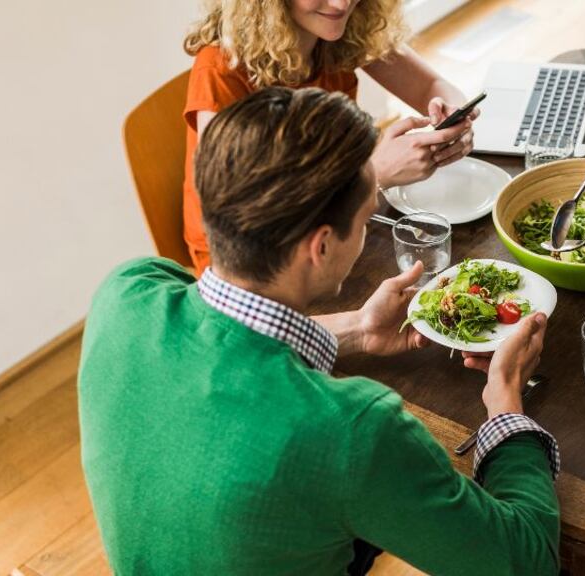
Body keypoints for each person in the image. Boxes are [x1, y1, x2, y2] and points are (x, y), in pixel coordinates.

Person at [80, 87, 560, 575]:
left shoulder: (125, 290)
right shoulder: (354, 429)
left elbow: (227, 325)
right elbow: (526, 564)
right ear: (323, 245)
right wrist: (504, 397)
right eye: (366, 213)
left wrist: (356, 329)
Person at [182, 0, 478, 274]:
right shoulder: (220, 69)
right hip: (253, 263)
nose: (341, 4)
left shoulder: (342, 31)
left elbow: (433, 86)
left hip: (330, 225)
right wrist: (373, 174)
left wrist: (452, 115)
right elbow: (244, 217)